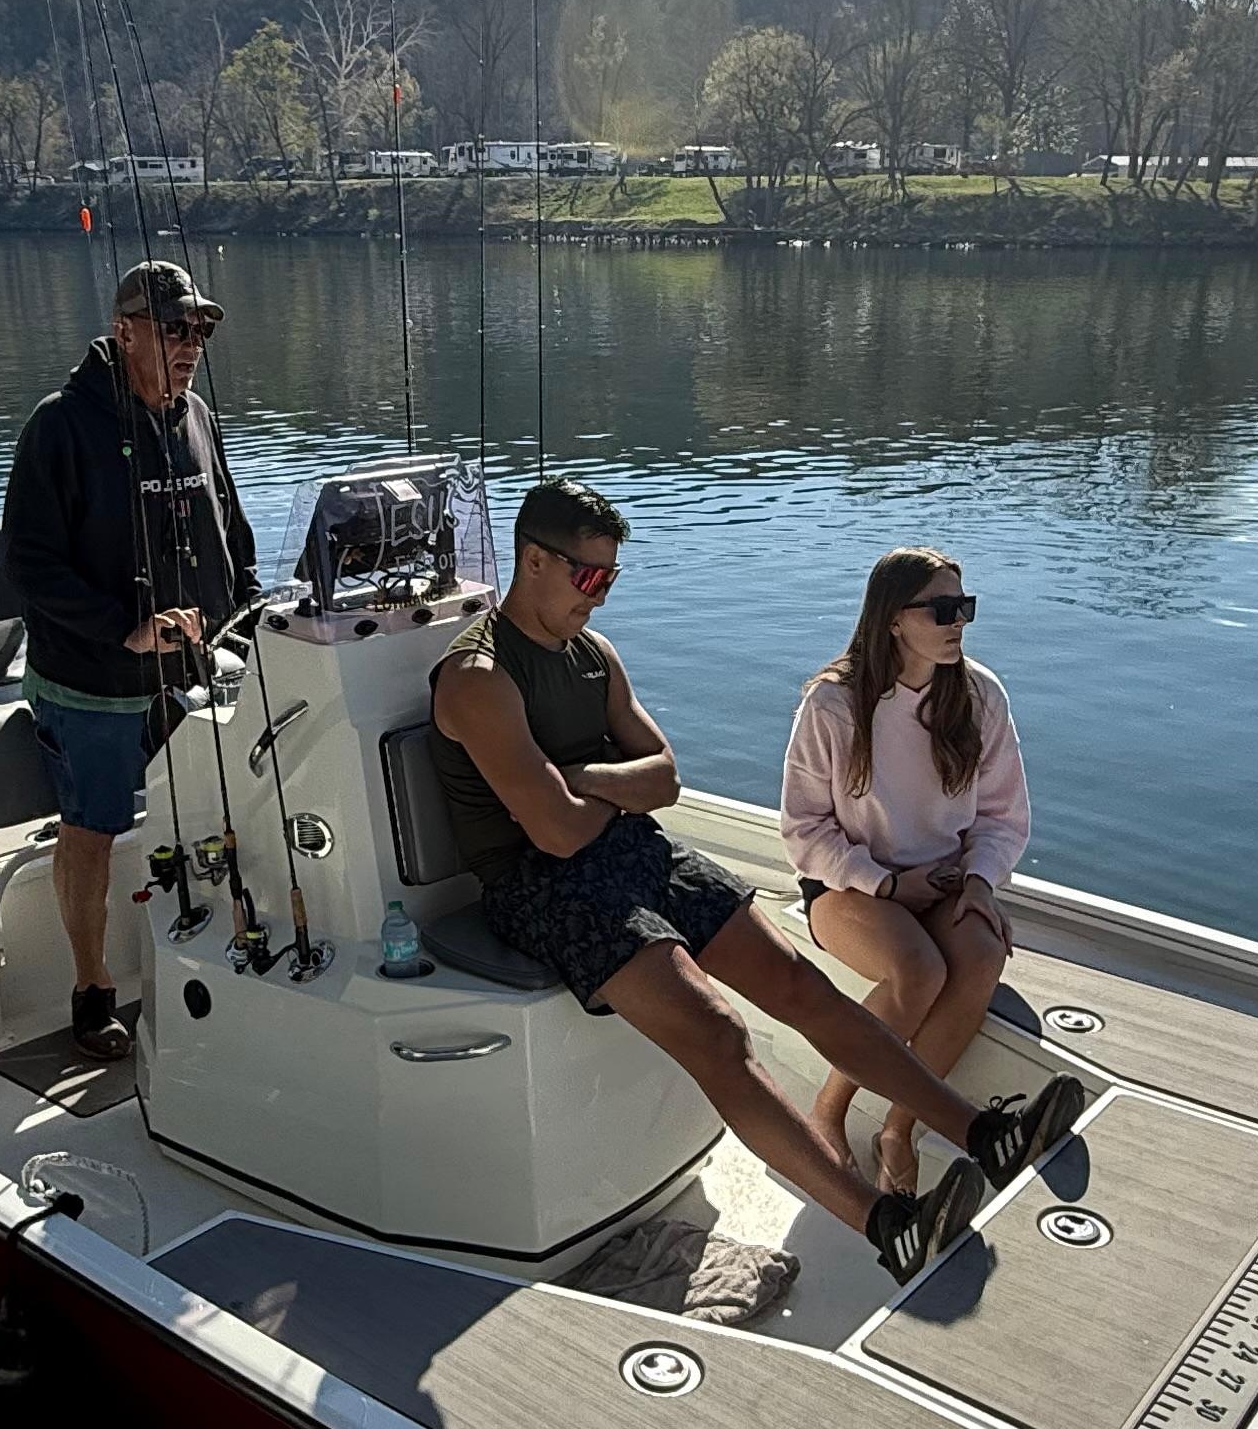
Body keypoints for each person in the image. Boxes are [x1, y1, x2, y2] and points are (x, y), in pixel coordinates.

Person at [428, 477, 1080, 1276]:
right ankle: (884, 1223)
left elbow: (664, 778)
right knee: (720, 1031)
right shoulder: (478, 678)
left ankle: (984, 1132)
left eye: (611, 578)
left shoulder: (594, 657)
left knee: (805, 990)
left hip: (635, 848)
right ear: (533, 561)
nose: (598, 598)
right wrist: (603, 793)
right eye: (588, 577)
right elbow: (555, 836)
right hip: (540, 885)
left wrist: (587, 779)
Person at [1, 255, 257, 1061]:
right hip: (94, 679)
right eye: (176, 328)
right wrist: (124, 627)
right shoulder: (60, 425)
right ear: (125, 331)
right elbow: (30, 565)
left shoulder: (196, 416)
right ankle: (91, 990)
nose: (192, 344)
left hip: (192, 669)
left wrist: (246, 614)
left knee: (221, 811)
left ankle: (212, 964)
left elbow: (232, 531)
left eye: (202, 329)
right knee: (94, 828)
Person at [783, 548, 1034, 1195]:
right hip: (850, 885)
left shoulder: (980, 695)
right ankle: (828, 1111)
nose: (959, 623)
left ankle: (901, 1129)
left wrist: (980, 880)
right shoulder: (833, 706)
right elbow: (804, 830)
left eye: (965, 608)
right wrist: (888, 884)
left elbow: (1003, 817)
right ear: (893, 619)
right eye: (944, 609)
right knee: (918, 970)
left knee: (980, 957)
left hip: (946, 879)